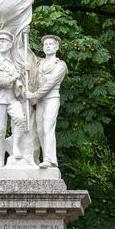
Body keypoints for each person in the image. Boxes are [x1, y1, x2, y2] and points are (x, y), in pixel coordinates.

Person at [0, 30, 27, 167]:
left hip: (12, 99)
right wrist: (11, 79)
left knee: (20, 119)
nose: (1, 44)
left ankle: (15, 146)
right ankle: (0, 163)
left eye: (4, 42)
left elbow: (22, 79)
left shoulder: (14, 64)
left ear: (10, 44)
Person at [26, 35, 67, 168]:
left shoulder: (60, 65)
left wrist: (34, 95)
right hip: (40, 101)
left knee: (48, 127)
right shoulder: (40, 63)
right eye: (46, 44)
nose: (48, 46)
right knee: (40, 129)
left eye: (51, 44)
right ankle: (43, 159)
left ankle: (50, 159)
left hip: (51, 98)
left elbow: (51, 82)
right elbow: (30, 69)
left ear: (56, 47)